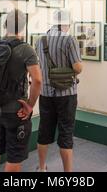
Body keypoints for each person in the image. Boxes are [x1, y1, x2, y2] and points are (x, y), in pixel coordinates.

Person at [0, 9, 42, 172]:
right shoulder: (26, 49)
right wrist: (30, 105)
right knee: (14, 156)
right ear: (23, 26)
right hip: (16, 111)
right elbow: (37, 80)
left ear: (5, 24)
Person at [35, 9, 83, 172]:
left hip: (46, 94)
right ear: (66, 23)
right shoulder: (69, 40)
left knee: (44, 131)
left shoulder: (40, 40)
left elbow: (39, 66)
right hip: (66, 94)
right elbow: (78, 67)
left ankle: (42, 168)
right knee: (66, 133)